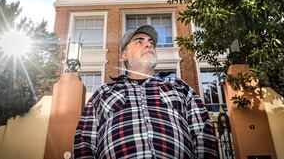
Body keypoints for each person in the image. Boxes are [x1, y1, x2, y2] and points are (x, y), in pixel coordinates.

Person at [73, 25, 218, 158]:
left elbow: (203, 133)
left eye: (151, 42)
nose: (149, 45)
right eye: (139, 41)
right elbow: (84, 140)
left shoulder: (179, 87)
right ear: (124, 54)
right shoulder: (104, 92)